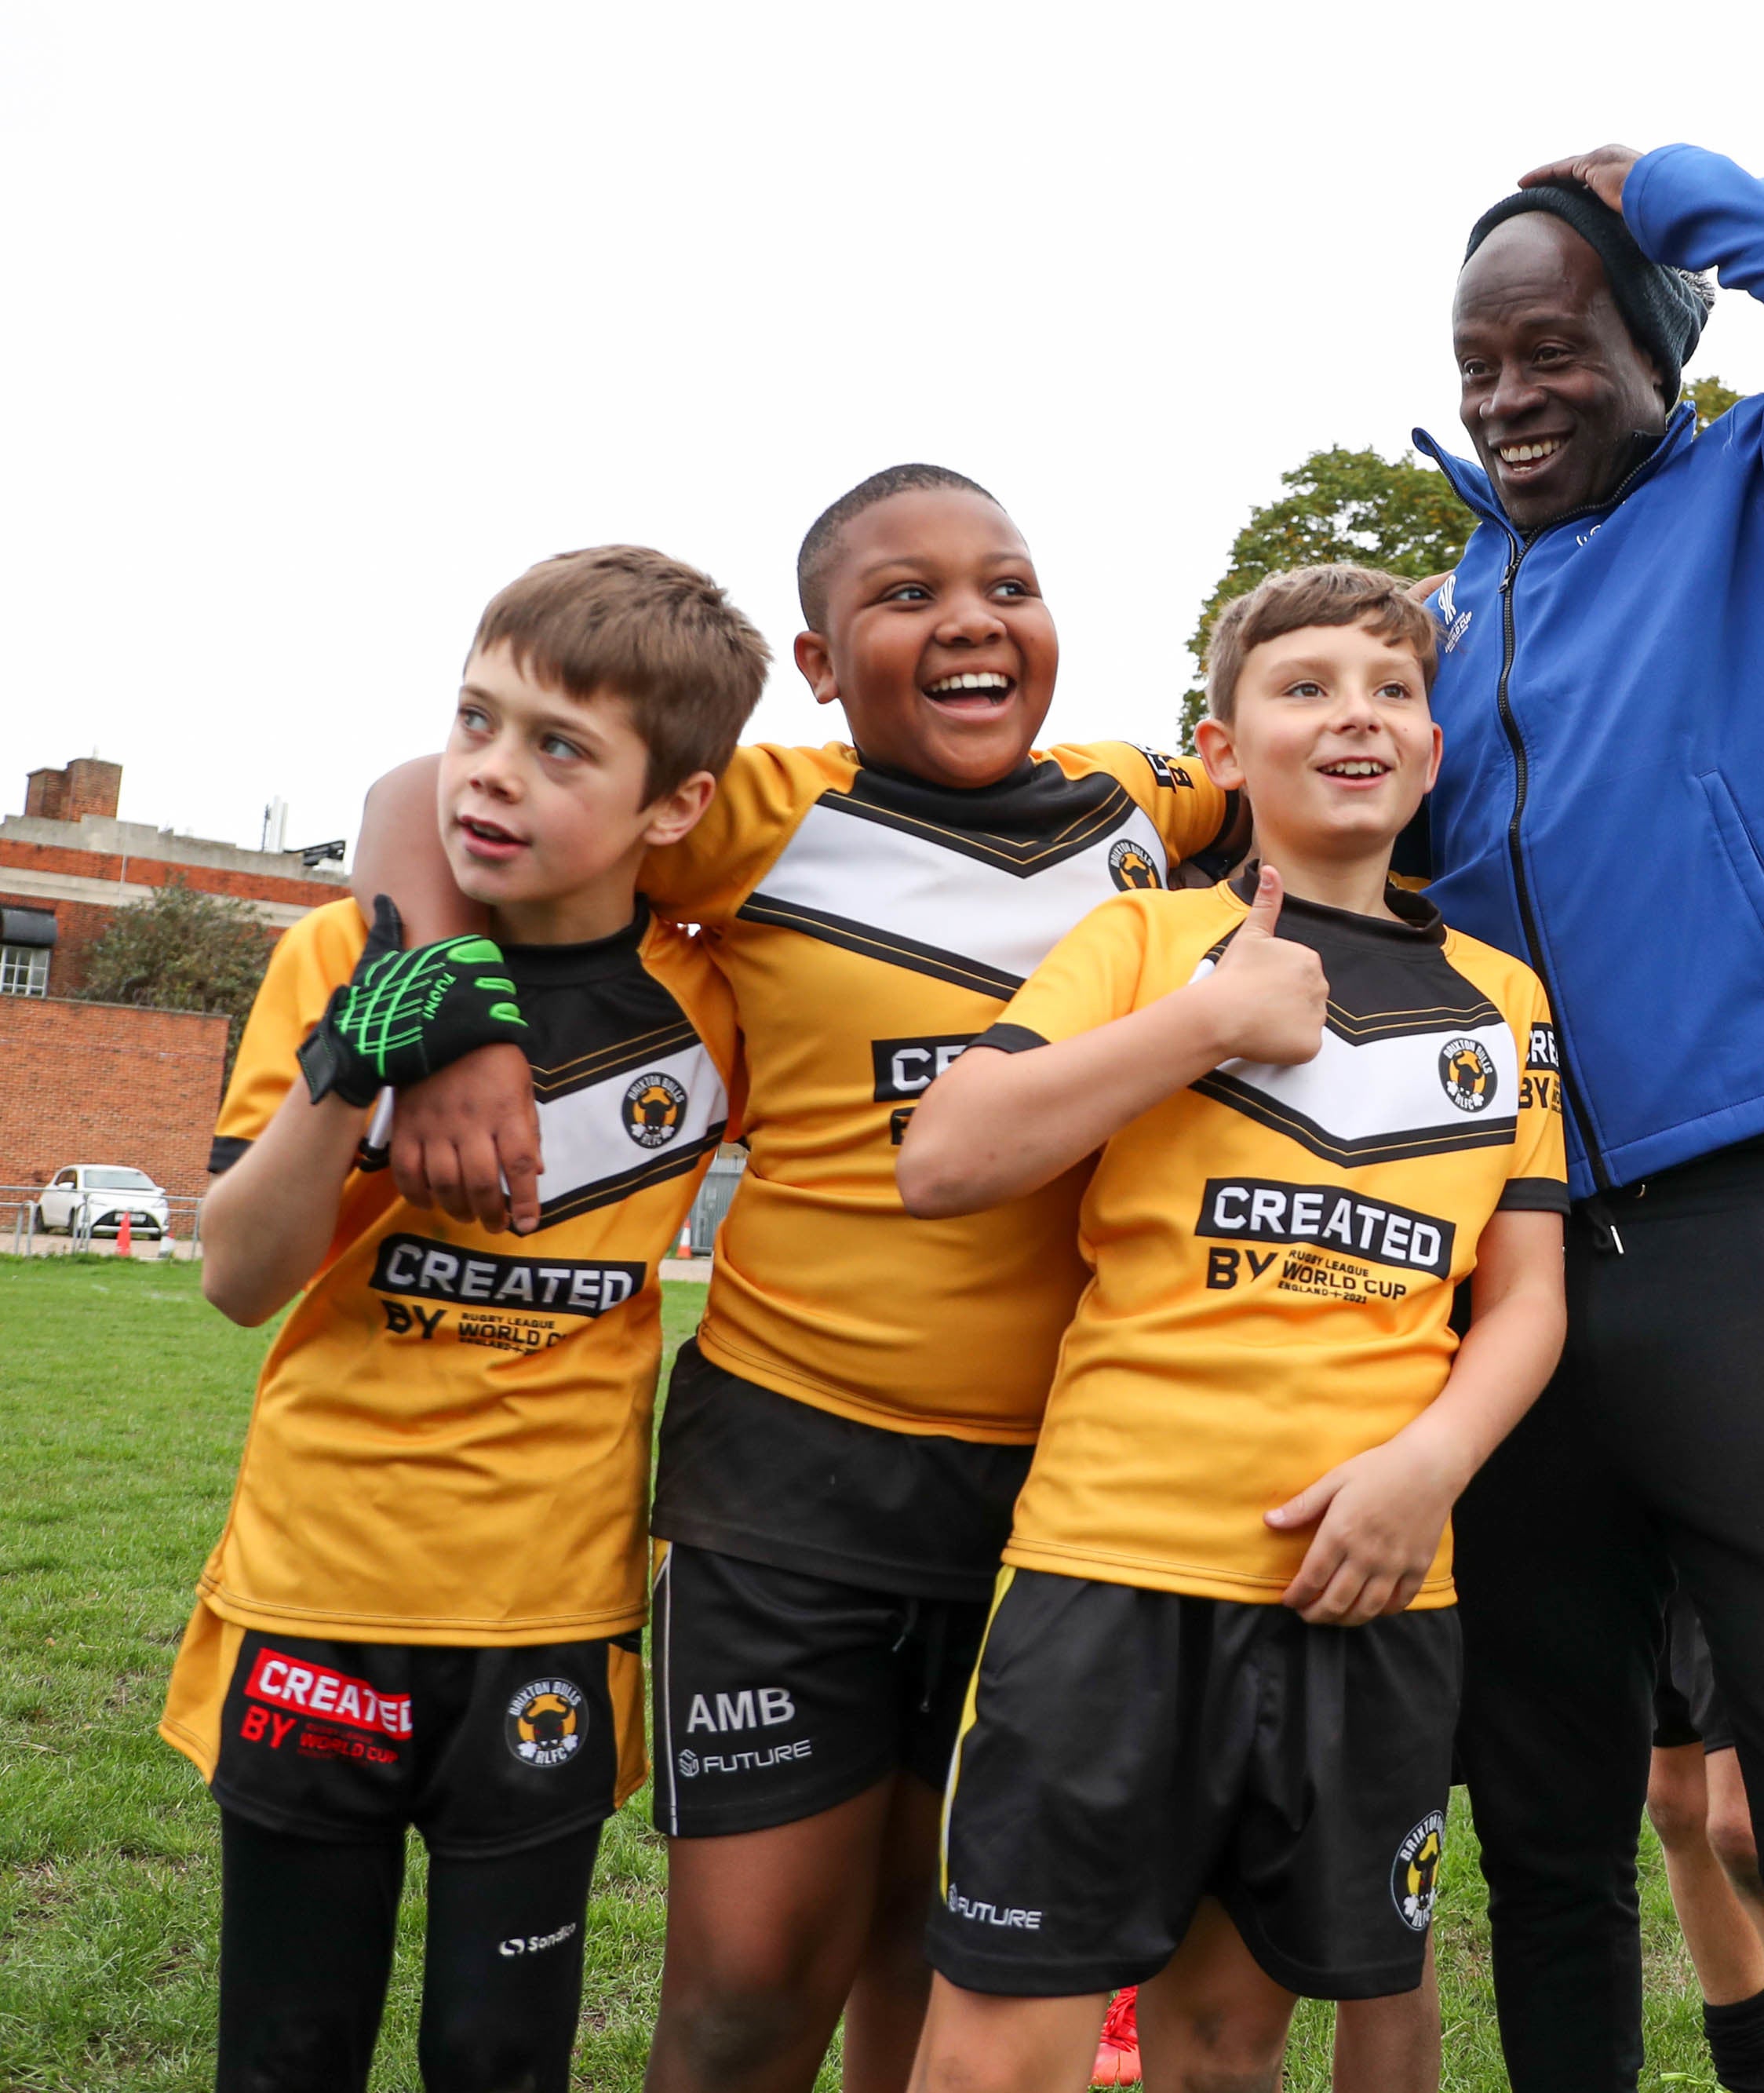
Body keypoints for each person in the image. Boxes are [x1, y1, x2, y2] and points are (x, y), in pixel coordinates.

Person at [344, 468, 1263, 2092]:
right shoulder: (761, 814)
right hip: (792, 1480)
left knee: (939, 1958)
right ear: (823, 662)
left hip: (1062, 1494)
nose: (969, 618)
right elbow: (421, 789)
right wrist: (455, 1015)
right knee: (748, 1989)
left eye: (1008, 582)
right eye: (905, 595)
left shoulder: (1140, 803)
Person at [1412, 139, 1764, 2093]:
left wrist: (1658, 182)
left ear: (1659, 340)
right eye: (1477, 364)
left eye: (1552, 348)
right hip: (1523, 1269)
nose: (1507, 397)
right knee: (1543, 1819)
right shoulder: (1443, 615)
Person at [890, 564, 1569, 2088]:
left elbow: (1525, 1297)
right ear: (1219, 747)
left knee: (1223, 2047)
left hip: (1366, 1592)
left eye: (1393, 691)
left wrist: (1430, 1466)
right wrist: (1206, 1019)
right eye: (1308, 685)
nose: (1357, 716)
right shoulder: (1144, 946)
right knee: (998, 2057)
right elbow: (944, 1158)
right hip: (1108, 1573)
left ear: (1432, 751)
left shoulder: (1503, 999)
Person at [167, 546, 761, 2091]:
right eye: (474, 723)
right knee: (287, 2048)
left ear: (674, 807)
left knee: (498, 2053)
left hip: (547, 1607)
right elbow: (237, 1275)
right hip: (318, 1586)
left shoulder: (714, 1003)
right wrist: (355, 1060)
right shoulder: (342, 949)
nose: (490, 775)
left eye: (560, 748)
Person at [1643, 1590, 1764, 2093]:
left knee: (1747, 1827)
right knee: (1674, 1799)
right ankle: (1756, 2081)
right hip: (1631, 1522)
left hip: (1735, 1526)